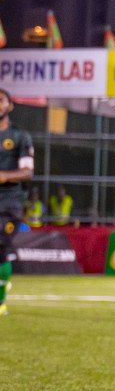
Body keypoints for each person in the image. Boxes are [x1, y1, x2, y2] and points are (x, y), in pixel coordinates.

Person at [0, 90, 34, 319]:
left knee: (0, 245)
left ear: (10, 106)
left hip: (8, 202)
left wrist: (4, 176)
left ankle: (0, 300)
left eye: (0, 100)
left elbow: (27, 172)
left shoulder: (19, 136)